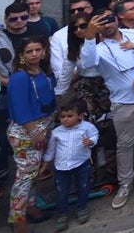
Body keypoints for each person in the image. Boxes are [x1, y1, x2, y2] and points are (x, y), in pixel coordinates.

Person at [79, 9, 134, 210]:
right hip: (123, 103)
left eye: (109, 20)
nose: (107, 25)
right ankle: (125, 184)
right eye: (102, 23)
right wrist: (90, 37)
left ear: (117, 20)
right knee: (125, 145)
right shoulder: (98, 48)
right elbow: (87, 64)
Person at [6, 38, 56, 232]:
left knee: (34, 174)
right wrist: (34, 132)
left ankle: (32, 207)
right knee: (25, 176)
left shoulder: (44, 72)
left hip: (43, 127)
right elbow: (20, 108)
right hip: (27, 132)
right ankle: (17, 219)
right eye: (29, 51)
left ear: (44, 52)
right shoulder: (19, 77)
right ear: (21, 55)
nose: (34, 54)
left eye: (38, 50)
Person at [43, 97, 99, 231]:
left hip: (81, 164)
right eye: (62, 116)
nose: (65, 119)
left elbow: (95, 136)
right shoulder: (56, 132)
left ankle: (82, 208)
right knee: (62, 192)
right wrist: (45, 165)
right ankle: (62, 214)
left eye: (70, 116)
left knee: (83, 187)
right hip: (61, 168)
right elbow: (51, 150)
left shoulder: (87, 127)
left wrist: (90, 142)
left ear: (80, 116)